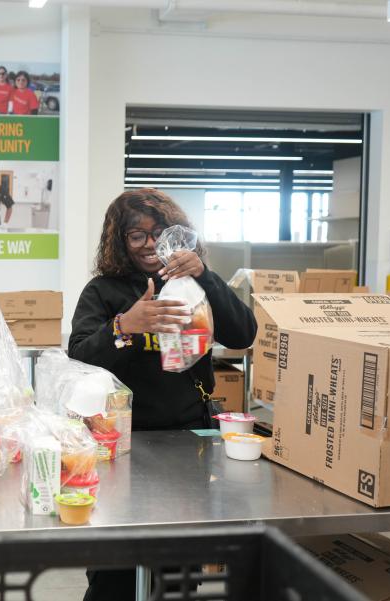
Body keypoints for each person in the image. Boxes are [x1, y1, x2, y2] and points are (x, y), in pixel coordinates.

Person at [68, 188, 257, 601]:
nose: (150, 245)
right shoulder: (103, 292)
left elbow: (243, 334)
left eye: (160, 234)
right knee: (114, 571)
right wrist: (123, 326)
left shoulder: (194, 284)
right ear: (120, 241)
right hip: (119, 447)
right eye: (137, 236)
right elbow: (79, 356)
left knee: (180, 573)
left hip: (188, 443)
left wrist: (205, 274)